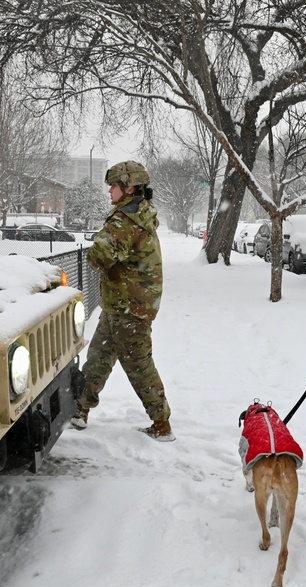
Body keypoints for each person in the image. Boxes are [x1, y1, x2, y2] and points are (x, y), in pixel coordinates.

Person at [70, 160, 175, 442]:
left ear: (129, 188)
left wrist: (97, 245)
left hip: (131, 309)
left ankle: (161, 422)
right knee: (99, 358)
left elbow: (99, 256)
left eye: (113, 186)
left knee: (139, 366)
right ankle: (80, 409)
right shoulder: (137, 214)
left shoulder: (125, 220)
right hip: (121, 304)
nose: (109, 192)